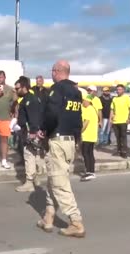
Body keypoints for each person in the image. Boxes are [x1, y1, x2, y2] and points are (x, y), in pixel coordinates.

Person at [37, 59, 85, 238]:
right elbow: (78, 119)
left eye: (52, 71)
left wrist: (43, 130)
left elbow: (51, 114)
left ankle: (76, 221)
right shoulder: (76, 91)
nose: (51, 74)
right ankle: (48, 217)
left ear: (57, 71)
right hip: (70, 140)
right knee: (53, 179)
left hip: (57, 140)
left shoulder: (57, 89)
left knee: (59, 183)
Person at [14, 76, 43, 192]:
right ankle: (35, 179)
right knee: (33, 156)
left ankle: (29, 182)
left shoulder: (30, 100)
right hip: (28, 132)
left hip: (30, 133)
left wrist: (32, 133)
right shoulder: (27, 99)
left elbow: (34, 118)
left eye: (17, 88)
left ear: (24, 87)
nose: (16, 91)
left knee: (29, 157)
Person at [110, 84, 130, 158]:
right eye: (117, 89)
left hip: (123, 120)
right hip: (115, 121)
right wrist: (111, 118)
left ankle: (124, 151)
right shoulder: (114, 99)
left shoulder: (127, 98)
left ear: (123, 90)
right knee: (118, 137)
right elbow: (112, 109)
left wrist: (129, 118)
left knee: (123, 137)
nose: (118, 91)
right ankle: (119, 150)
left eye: (120, 89)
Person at [80, 94, 98, 181]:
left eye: (84, 100)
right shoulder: (92, 108)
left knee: (86, 153)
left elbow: (86, 123)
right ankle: (91, 172)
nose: (83, 102)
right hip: (92, 135)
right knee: (90, 153)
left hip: (87, 135)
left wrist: (80, 132)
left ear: (88, 101)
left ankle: (89, 172)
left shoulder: (89, 109)